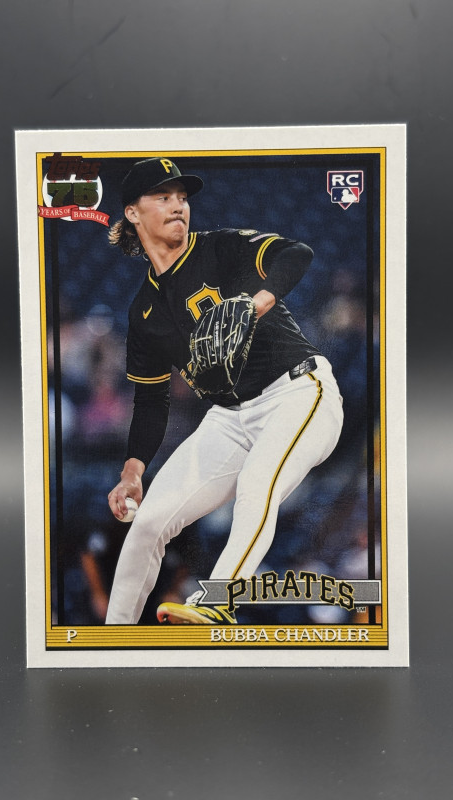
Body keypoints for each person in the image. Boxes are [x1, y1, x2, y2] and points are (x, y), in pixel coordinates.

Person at [104, 157, 343, 625]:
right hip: (230, 417)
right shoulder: (144, 311)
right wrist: (132, 471)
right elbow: (151, 400)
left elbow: (296, 253)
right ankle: (113, 638)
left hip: (298, 393)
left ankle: (217, 603)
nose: (178, 205)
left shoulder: (220, 248)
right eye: (163, 197)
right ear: (133, 213)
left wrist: (257, 302)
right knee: (148, 523)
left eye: (182, 197)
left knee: (257, 487)